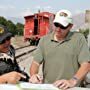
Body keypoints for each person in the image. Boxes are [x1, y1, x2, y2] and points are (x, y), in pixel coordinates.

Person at [29, 9, 90, 89]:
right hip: (49, 87)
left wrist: (72, 81)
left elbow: (86, 64)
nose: (58, 29)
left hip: (72, 88)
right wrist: (34, 75)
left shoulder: (79, 39)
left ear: (70, 26)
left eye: (62, 26)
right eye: (56, 24)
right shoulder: (44, 40)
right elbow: (35, 63)